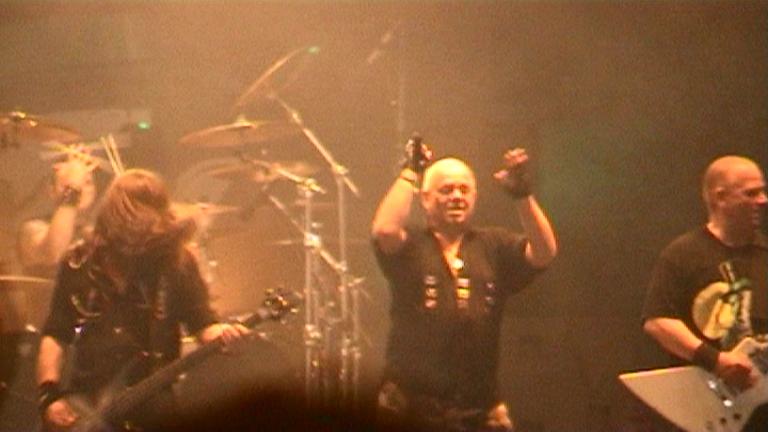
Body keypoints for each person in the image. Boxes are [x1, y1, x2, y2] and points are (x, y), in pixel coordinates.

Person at [36, 168, 249, 432]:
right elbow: (56, 333)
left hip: (154, 404)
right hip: (88, 402)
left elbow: (202, 323)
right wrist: (49, 396)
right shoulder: (79, 261)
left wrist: (224, 334)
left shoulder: (177, 263)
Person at [371, 144, 558, 432]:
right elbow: (384, 230)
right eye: (446, 190)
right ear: (426, 199)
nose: (457, 197)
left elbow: (544, 252)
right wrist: (411, 172)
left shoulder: (493, 245)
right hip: (410, 406)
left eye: (464, 189)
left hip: (476, 408)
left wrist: (523, 196)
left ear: (474, 197)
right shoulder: (413, 245)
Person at [642, 155, 767, 431]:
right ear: (720, 197)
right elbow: (658, 322)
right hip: (704, 410)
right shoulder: (683, 254)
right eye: (751, 193)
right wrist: (715, 360)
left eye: (763, 191)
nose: (762, 200)